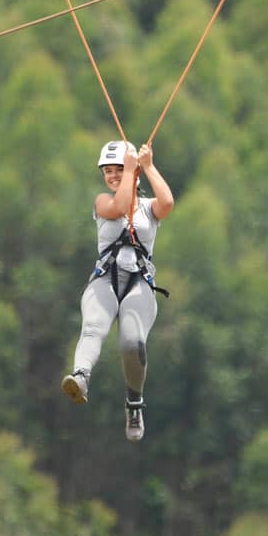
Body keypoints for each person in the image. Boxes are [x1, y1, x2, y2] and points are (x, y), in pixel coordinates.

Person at [62, 139, 174, 442]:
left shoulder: (149, 209)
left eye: (118, 170)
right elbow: (120, 206)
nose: (112, 176)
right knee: (93, 327)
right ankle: (81, 377)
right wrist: (129, 171)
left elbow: (167, 203)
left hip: (139, 283)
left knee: (132, 342)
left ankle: (134, 403)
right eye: (108, 171)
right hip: (105, 279)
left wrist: (146, 167)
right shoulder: (103, 202)